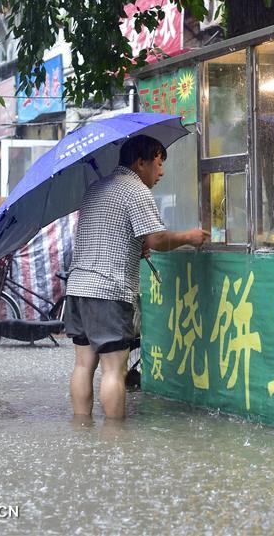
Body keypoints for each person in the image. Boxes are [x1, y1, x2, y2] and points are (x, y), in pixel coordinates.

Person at [64, 135, 209, 419]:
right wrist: (189, 237)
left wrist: (134, 245)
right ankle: (115, 441)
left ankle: (81, 430)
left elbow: (109, 234)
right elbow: (157, 239)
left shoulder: (95, 188)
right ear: (140, 163)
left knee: (83, 366)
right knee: (113, 370)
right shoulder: (135, 191)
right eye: (158, 163)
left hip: (78, 287)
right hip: (109, 290)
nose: (162, 172)